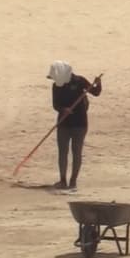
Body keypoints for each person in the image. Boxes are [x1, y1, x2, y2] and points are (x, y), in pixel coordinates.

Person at [48, 61, 102, 190]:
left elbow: (95, 92)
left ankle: (73, 181)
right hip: (63, 123)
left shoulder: (80, 81)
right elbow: (56, 104)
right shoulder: (56, 85)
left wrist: (98, 83)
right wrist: (63, 110)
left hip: (80, 123)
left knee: (76, 152)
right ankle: (62, 180)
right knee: (63, 152)